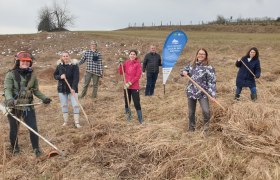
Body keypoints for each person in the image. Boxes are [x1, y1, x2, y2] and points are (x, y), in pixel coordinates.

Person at [4, 51, 52, 157]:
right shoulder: (10, 74)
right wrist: (10, 100)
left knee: (33, 127)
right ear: (18, 62)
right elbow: (7, 89)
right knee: (14, 129)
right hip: (14, 106)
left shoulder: (33, 75)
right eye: (23, 61)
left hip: (28, 106)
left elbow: (36, 91)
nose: (25, 63)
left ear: (30, 63)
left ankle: (36, 149)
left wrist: (45, 98)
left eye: (27, 61)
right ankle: (15, 148)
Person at [180, 48, 216, 132]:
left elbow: (212, 82)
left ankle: (206, 129)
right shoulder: (192, 65)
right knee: (191, 112)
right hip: (191, 92)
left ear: (206, 56)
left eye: (203, 54)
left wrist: (212, 95)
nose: (201, 55)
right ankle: (191, 128)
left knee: (206, 111)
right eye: (199, 54)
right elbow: (183, 71)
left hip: (203, 93)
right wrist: (184, 72)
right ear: (197, 55)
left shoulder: (209, 68)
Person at [53, 52, 81, 128]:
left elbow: (76, 78)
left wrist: (73, 88)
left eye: (67, 56)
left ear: (69, 57)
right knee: (64, 105)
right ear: (61, 57)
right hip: (62, 89)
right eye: (64, 56)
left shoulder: (74, 66)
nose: (65, 57)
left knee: (75, 105)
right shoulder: (59, 66)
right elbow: (55, 75)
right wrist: (60, 77)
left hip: (72, 89)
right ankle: (65, 122)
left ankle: (77, 122)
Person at [118, 50, 143, 124]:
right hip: (126, 86)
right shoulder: (126, 63)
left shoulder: (137, 64)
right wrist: (120, 65)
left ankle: (140, 119)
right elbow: (120, 72)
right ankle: (129, 116)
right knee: (127, 101)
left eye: (134, 54)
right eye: (131, 54)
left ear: (136, 56)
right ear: (129, 55)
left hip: (134, 87)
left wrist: (130, 83)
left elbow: (138, 76)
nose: (132, 55)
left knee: (136, 102)